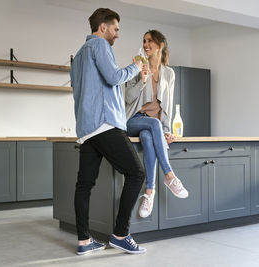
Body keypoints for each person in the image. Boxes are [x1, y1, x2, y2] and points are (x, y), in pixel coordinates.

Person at [71, 8, 147, 255]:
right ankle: (121, 234)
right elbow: (114, 78)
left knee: (84, 185)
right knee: (136, 173)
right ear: (102, 27)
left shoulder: (79, 55)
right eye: (115, 29)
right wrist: (135, 66)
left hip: (86, 129)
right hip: (105, 124)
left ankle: (84, 241)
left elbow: (83, 90)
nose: (117, 35)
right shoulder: (100, 46)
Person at [125, 30, 189, 219]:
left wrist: (166, 131)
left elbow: (168, 103)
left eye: (150, 41)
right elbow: (128, 98)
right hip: (133, 120)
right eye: (144, 41)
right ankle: (169, 176)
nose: (146, 44)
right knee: (152, 124)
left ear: (160, 45)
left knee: (147, 136)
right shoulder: (135, 68)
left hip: (152, 127)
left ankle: (149, 193)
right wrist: (142, 79)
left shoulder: (169, 73)